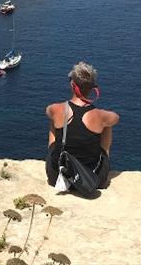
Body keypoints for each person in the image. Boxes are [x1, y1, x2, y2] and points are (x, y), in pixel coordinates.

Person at [45, 61, 119, 189]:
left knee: (54, 120)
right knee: (107, 125)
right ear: (92, 88)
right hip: (90, 180)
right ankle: (104, 155)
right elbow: (116, 118)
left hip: (57, 176)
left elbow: (48, 111)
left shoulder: (56, 109)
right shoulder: (100, 115)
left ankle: (56, 156)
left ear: (72, 85)